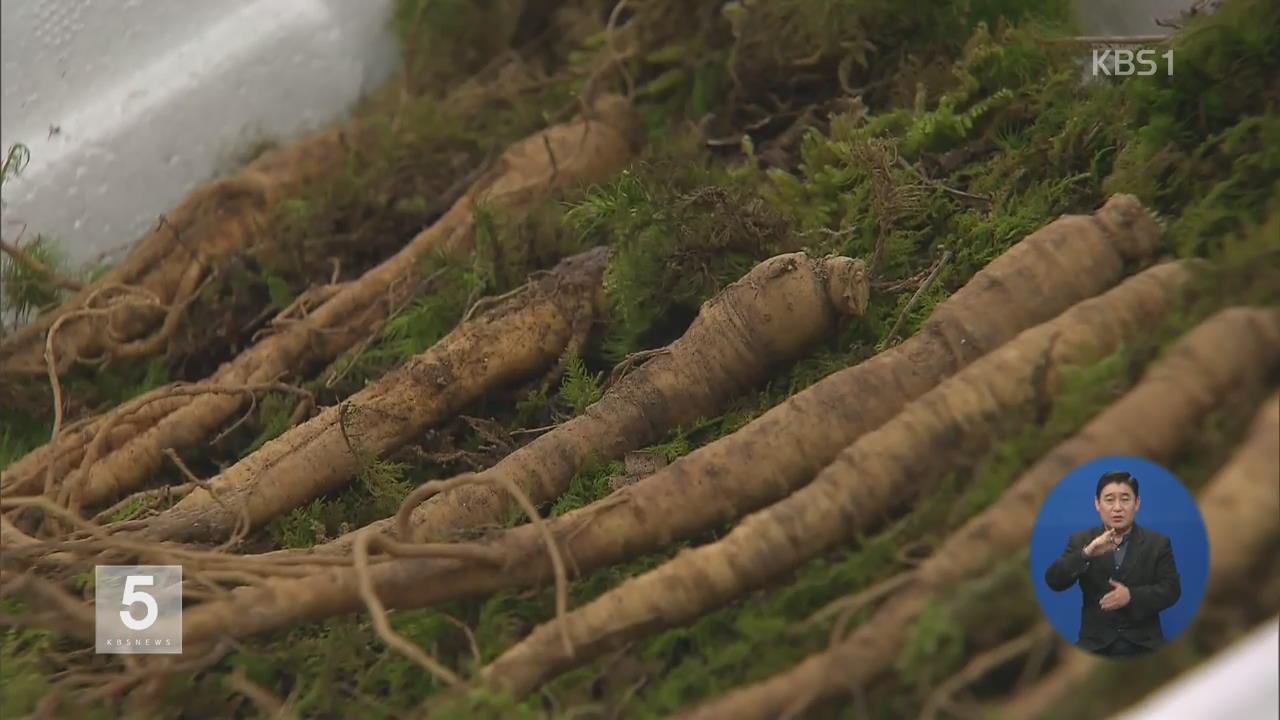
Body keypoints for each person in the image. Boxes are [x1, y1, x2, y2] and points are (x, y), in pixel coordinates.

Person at [1044, 470, 1181, 657]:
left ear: (1137, 503)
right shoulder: (1081, 540)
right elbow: (1054, 581)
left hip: (1145, 644)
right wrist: (1086, 553)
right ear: (1097, 504)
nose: (1117, 508)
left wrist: (1131, 596)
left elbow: (1171, 590)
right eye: (1109, 500)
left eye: (1125, 499)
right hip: (1094, 646)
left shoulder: (1157, 543)